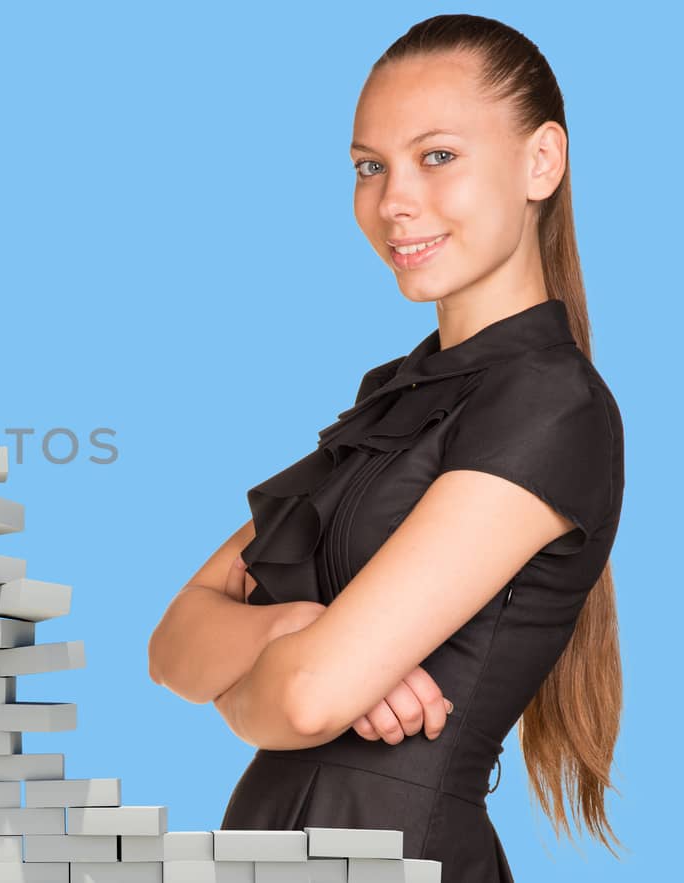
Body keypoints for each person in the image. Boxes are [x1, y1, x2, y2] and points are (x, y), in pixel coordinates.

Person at [145, 14, 624, 882]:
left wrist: (264, 680)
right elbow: (172, 641)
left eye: (437, 156)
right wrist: (297, 626)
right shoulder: (397, 396)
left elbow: (304, 697)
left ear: (540, 162)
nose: (393, 199)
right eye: (371, 167)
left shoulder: (551, 406)